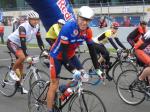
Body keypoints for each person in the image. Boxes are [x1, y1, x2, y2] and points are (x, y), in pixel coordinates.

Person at [47, 6, 102, 112]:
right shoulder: (68, 28)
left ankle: (63, 89)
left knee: (82, 76)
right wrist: (73, 70)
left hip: (71, 55)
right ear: (77, 17)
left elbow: (92, 51)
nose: (84, 23)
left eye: (88, 20)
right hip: (57, 56)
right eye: (82, 19)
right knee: (54, 83)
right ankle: (49, 109)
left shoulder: (88, 31)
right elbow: (63, 56)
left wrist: (98, 69)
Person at [7, 11, 44, 85]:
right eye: (33, 19)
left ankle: (18, 85)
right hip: (12, 42)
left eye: (37, 19)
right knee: (22, 57)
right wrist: (27, 56)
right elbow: (23, 43)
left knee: (21, 66)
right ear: (29, 19)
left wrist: (43, 50)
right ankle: (12, 71)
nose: (36, 21)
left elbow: (39, 39)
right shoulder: (23, 27)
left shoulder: (37, 26)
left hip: (20, 45)